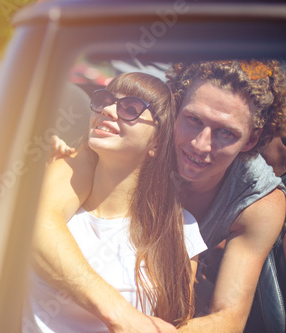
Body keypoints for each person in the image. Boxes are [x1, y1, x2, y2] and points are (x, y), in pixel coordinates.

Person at [33, 59, 286, 332]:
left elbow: (229, 317)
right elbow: (37, 224)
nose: (201, 145)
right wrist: (121, 316)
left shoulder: (259, 202)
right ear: (172, 113)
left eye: (226, 133)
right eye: (193, 120)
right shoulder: (117, 141)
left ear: (250, 140)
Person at [24, 72, 206, 332]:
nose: (108, 110)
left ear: (156, 141)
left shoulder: (181, 228)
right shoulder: (58, 213)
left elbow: (173, 324)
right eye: (103, 100)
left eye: (130, 108)